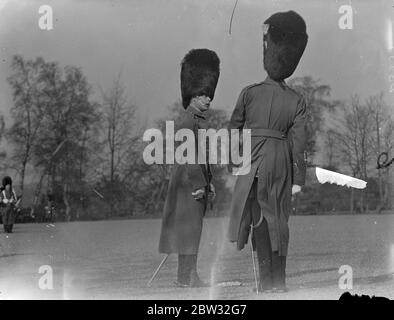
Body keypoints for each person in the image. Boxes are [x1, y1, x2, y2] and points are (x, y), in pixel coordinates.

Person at [227, 11, 308, 293]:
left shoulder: (249, 93)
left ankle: (265, 283)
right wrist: (299, 179)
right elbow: (299, 143)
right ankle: (279, 283)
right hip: (282, 164)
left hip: (254, 161)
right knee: (279, 221)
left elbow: (232, 129)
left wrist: (233, 161)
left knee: (259, 219)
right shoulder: (296, 99)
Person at [158, 48, 220, 287]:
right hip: (188, 183)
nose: (209, 99)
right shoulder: (187, 120)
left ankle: (185, 276)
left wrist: (208, 182)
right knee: (190, 229)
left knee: (191, 229)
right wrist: (198, 184)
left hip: (191, 182)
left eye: (209, 94)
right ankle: (188, 276)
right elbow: (190, 156)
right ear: (194, 95)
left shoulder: (194, 120)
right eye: (204, 94)